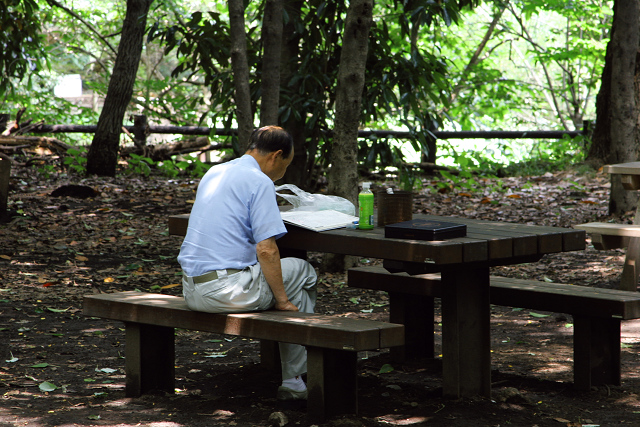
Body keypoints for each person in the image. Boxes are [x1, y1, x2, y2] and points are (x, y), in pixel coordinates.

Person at [177, 125, 317, 401]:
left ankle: (294, 374)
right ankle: (296, 377)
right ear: (276, 156)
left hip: (191, 288)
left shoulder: (215, 172)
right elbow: (266, 250)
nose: (283, 173)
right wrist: (282, 301)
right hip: (222, 291)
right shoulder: (259, 181)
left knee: (285, 278)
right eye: (286, 165)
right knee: (304, 272)